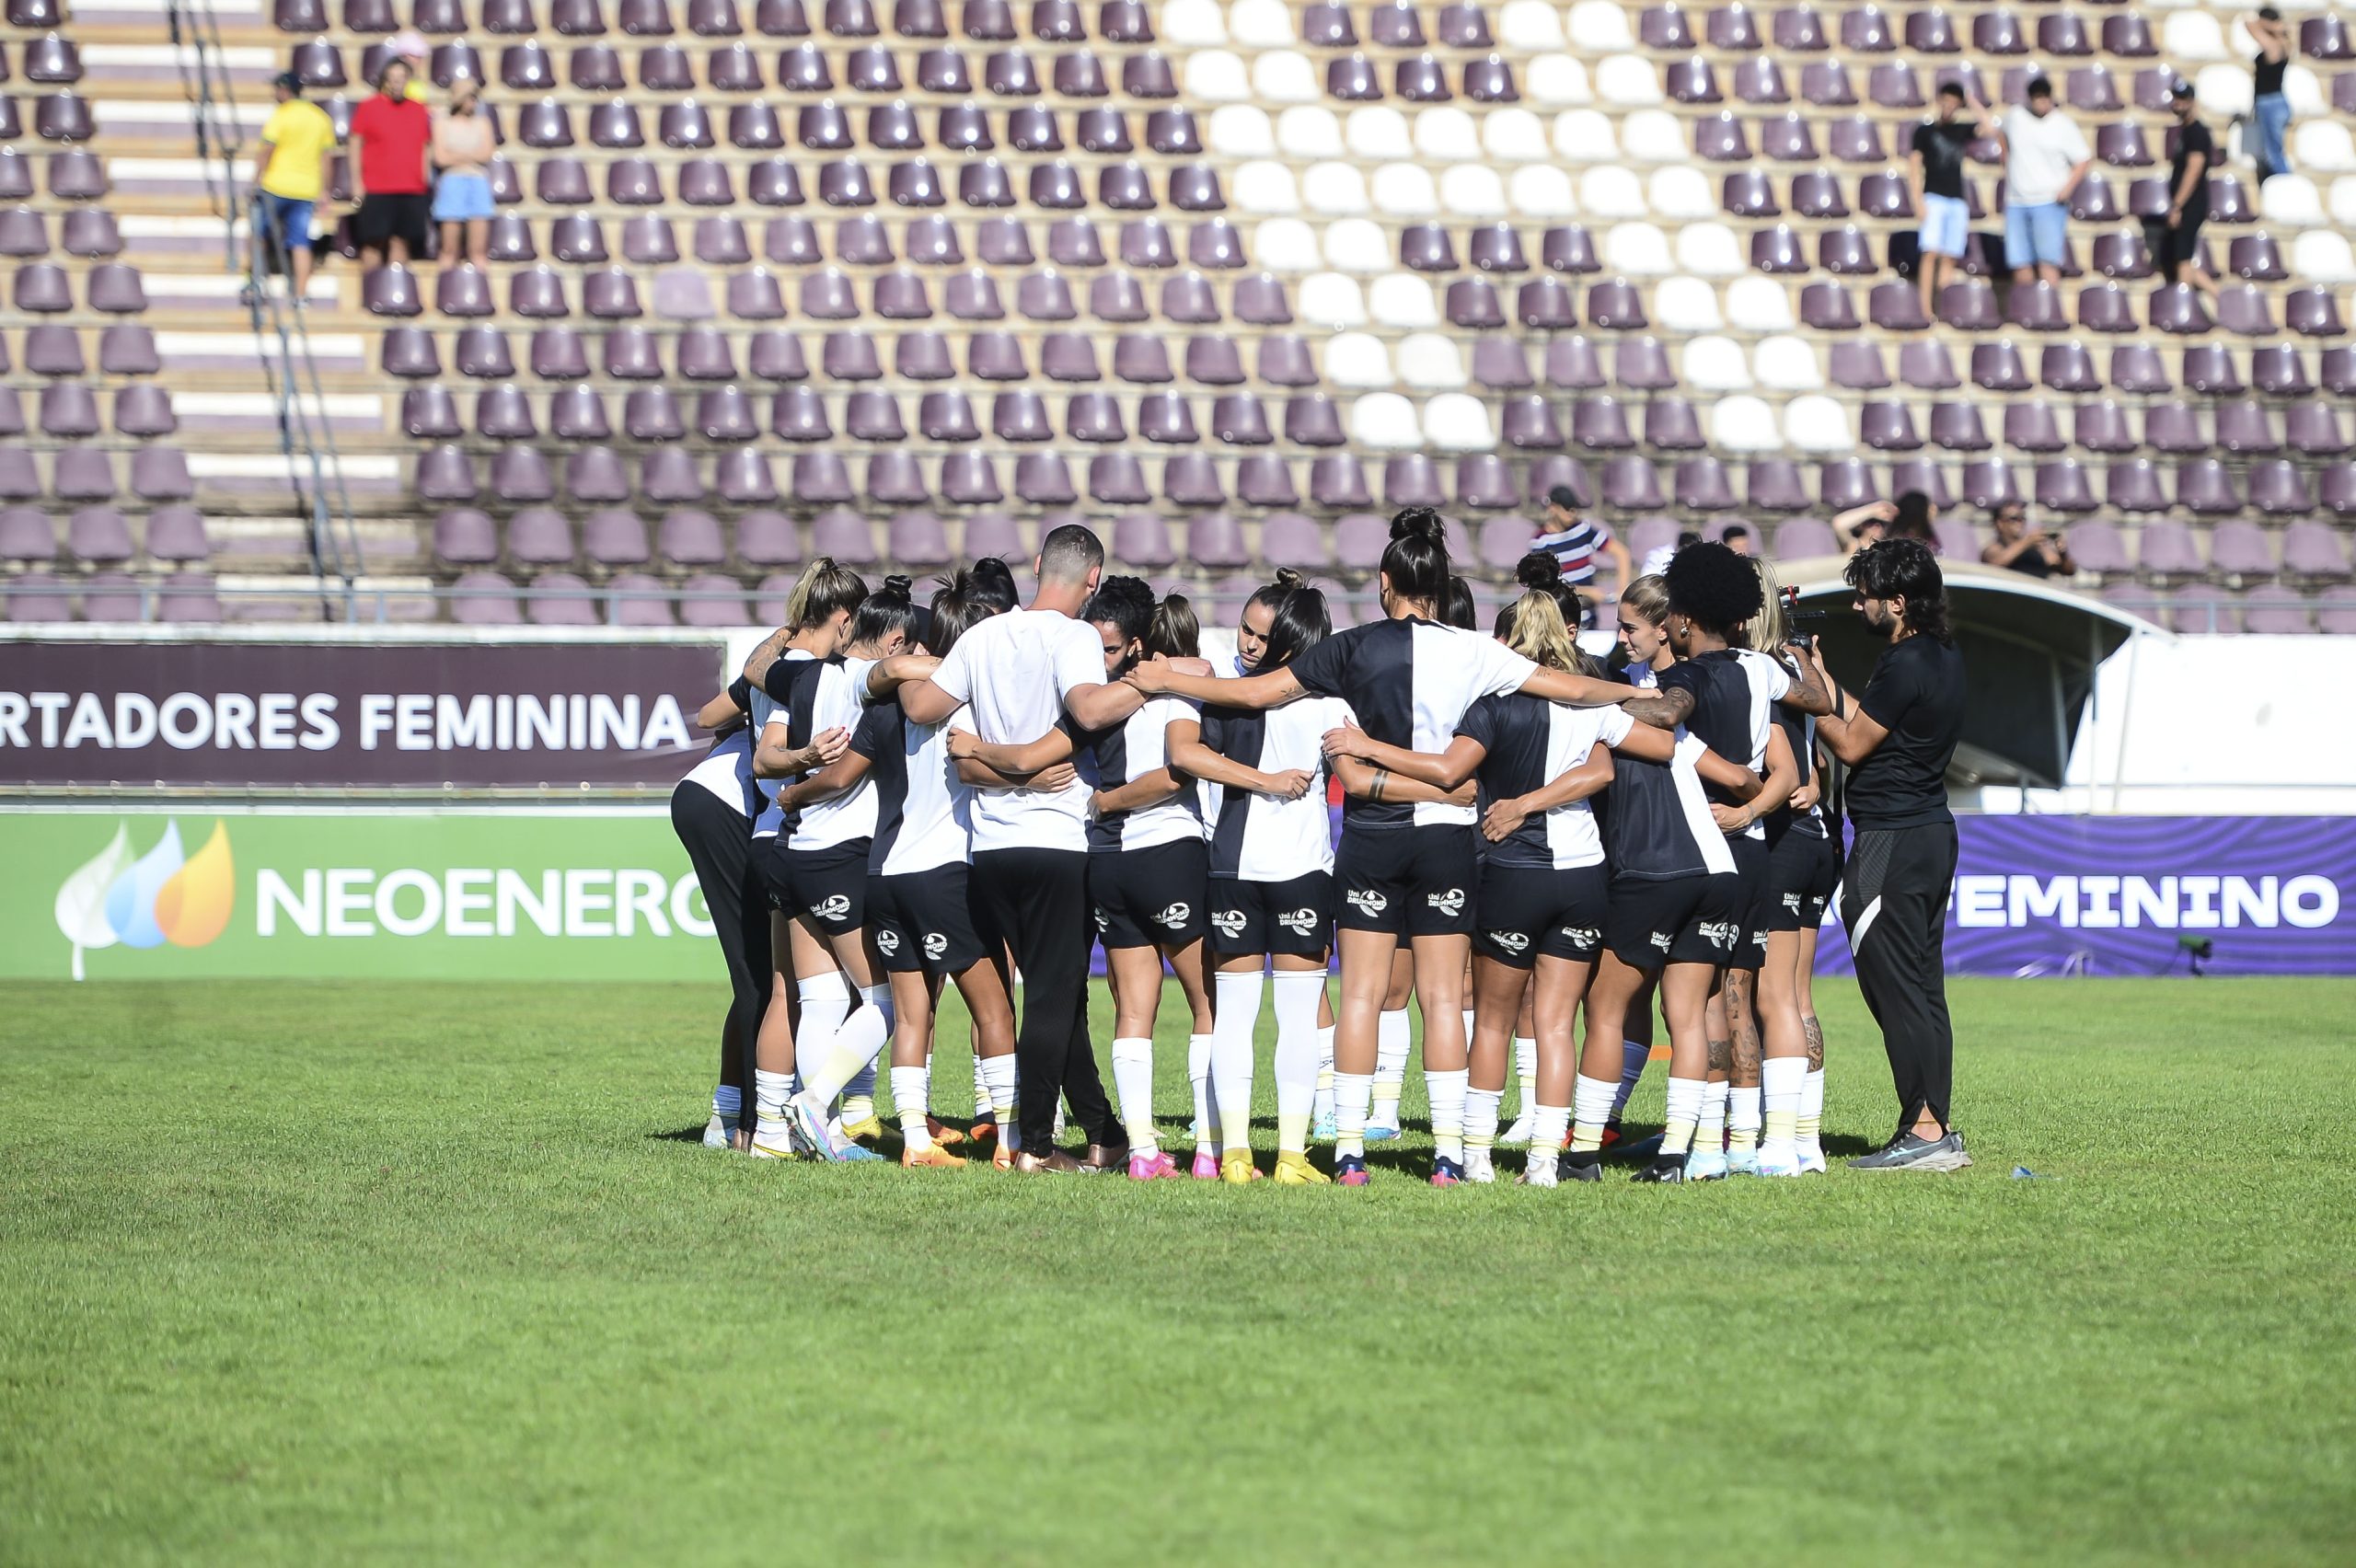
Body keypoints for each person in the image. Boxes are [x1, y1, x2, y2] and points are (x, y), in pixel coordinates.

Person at [1131, 508, 1632, 1187]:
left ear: (1386, 582)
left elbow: (1251, 693)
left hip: (1373, 831)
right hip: (1449, 836)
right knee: (1442, 999)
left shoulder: (1356, 645)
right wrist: (1642, 699)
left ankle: (1348, 1155)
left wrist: (1167, 681)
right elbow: (1570, 687)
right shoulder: (1477, 651)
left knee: (1361, 995)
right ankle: (1452, 1155)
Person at [897, 525, 1151, 1174]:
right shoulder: (1075, 638)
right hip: (1056, 841)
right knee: (1049, 996)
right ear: (1093, 579)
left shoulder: (983, 635)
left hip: (989, 847)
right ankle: (1033, 1145)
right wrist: (1156, 681)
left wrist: (914, 677)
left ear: (1039, 565)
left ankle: (1100, 1130)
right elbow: (1090, 712)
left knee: (1054, 996)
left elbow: (924, 704)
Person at [954, 578, 1217, 1180]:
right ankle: (1057, 1144)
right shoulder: (1093, 702)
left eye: (1109, 649)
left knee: (1077, 1002)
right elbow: (1177, 764)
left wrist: (1164, 670)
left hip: (1083, 853)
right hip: (1101, 850)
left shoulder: (1105, 697)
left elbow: (1199, 665)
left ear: (1136, 646)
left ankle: (1109, 1136)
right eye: (1090, 648)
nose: (1095, 661)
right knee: (1095, 1002)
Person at [1616, 544, 1811, 1180]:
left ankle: (1702, 1149)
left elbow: (1669, 712)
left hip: (1699, 845)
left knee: (1698, 1004)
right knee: (1742, 995)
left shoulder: (1691, 675)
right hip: (1754, 849)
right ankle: (1763, 1142)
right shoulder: (1761, 669)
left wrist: (1608, 704)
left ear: (1685, 621)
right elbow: (1820, 702)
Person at [1168, 581, 1354, 1184]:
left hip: (1272, 871)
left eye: (1260, 634)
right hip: (1253, 871)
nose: (1246, 643)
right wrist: (1264, 780)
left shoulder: (1238, 698)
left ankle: (1280, 1155)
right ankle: (1251, 1153)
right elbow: (1186, 756)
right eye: (1244, 628)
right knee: (1247, 1017)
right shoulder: (1264, 698)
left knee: (1285, 1019)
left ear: (1291, 642)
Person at [1803, 539, 1971, 1172]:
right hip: (1928, 833)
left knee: (1896, 989)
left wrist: (1801, 691)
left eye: (1866, 595)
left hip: (1890, 843)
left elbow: (1847, 744)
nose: (1857, 604)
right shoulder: (1939, 655)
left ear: (1897, 602)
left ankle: (1924, 1130)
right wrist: (1822, 683)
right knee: (1924, 987)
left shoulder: (1904, 664)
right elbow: (1871, 723)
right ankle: (1933, 1126)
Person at [759, 578, 941, 1160]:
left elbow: (758, 667)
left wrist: (786, 634)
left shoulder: (801, 674)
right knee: (886, 1001)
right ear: (892, 641)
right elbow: (892, 674)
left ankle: (825, 1135)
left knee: (820, 1002)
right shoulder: (867, 679)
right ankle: (812, 1104)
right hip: (840, 854)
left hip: (795, 853)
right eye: (910, 649)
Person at [1910, 83, 1995, 323]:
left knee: (1950, 256)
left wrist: (1972, 102)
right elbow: (1914, 166)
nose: (1949, 105)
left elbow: (1990, 129)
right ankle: (1925, 308)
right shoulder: (1924, 132)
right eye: (1946, 99)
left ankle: (1943, 307)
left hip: (1956, 200)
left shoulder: (1961, 130)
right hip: (1933, 197)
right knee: (1930, 252)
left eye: (1954, 101)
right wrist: (1918, 200)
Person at [1998, 76, 2092, 287]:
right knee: (2019, 264)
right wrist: (2006, 162)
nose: (2041, 103)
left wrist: (2067, 189)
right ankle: (2027, 314)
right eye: (2037, 99)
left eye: (2045, 98)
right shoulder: (2015, 116)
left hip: (2048, 202)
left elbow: (2083, 159)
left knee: (2047, 263)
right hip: (2016, 202)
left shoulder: (2062, 124)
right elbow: (2001, 135)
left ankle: (2049, 313)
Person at [250, 71, 333, 304]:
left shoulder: (282, 115)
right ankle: (300, 293)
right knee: (300, 242)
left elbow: (267, 150)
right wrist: (325, 190)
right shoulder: (320, 117)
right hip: (306, 190)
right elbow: (326, 158)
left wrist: (256, 179)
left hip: (276, 186)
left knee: (259, 234)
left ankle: (256, 280)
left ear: (285, 90)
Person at [347, 59, 432, 270]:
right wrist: (357, 182)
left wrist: (425, 178)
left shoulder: (419, 110)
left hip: (411, 188)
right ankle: (371, 293)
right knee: (373, 242)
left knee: (401, 242)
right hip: (377, 187)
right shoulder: (368, 107)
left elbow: (426, 147)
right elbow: (355, 145)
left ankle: (394, 294)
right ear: (385, 80)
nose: (396, 83)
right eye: (392, 78)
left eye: (401, 78)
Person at [2158, 82, 2220, 300]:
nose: (2178, 103)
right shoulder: (2185, 131)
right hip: (2186, 204)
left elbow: (2194, 169)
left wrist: (2177, 205)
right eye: (2175, 98)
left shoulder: (2197, 133)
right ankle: (2220, 298)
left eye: (2183, 99)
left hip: (2190, 205)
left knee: (2183, 259)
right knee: (2179, 256)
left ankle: (2183, 307)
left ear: (2192, 101)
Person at [429, 81, 496, 271]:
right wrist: (470, 156)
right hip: (452, 182)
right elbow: (440, 157)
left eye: (475, 97)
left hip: (478, 182)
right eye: (469, 97)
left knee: (479, 252)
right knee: (449, 251)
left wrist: (456, 155)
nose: (472, 102)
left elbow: (486, 154)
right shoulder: (442, 122)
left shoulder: (482, 122)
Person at [1530, 486, 1634, 609]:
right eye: (1567, 509)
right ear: (1552, 508)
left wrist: (1622, 589)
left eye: (1574, 508)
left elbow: (1621, 553)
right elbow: (1546, 586)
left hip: (1588, 615)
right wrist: (1586, 592)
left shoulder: (1582, 529)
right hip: (1560, 615)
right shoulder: (1540, 542)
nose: (1572, 513)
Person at [2248, 6, 2292, 184]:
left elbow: (2248, 24)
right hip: (2275, 102)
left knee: (2273, 154)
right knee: (2272, 151)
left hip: (2270, 104)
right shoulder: (2284, 43)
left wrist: (2270, 26)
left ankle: (2286, 186)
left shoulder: (2274, 45)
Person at [1981, 501, 2075, 578]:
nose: (2020, 522)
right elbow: (1995, 564)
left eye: (2022, 518)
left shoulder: (2038, 549)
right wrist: (2027, 541)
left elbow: (2068, 571)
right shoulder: (1994, 549)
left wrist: (2063, 554)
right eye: (2014, 518)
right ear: (2000, 524)